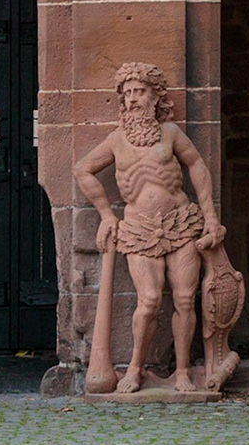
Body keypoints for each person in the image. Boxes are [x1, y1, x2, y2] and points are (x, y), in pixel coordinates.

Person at [74, 62, 239, 393]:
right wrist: (106, 215)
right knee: (148, 300)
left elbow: (197, 165)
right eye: (128, 93)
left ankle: (182, 372)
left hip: (180, 223)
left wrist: (210, 217)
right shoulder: (116, 140)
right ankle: (135, 369)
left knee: (184, 299)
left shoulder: (171, 133)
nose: (133, 99)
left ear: (155, 97)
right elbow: (82, 170)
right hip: (139, 229)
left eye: (140, 91)